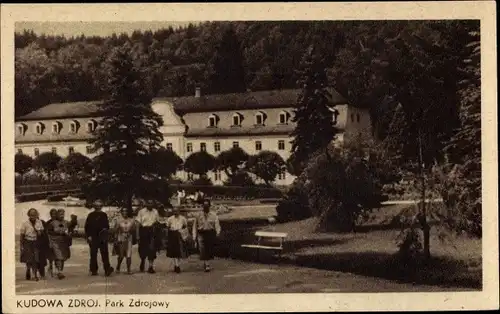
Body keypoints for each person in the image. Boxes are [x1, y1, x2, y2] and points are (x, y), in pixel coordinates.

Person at [84, 200, 114, 277]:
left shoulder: (103, 215)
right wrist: (89, 236)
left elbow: (106, 226)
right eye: (97, 206)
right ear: (95, 207)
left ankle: (106, 269)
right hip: (94, 237)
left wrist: (105, 231)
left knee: (103, 253)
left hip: (101, 237)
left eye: (99, 206)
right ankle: (94, 269)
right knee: (95, 254)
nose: (98, 207)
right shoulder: (91, 215)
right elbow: (87, 227)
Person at [192, 199, 221, 272]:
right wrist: (194, 236)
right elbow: (195, 226)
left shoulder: (214, 215)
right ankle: (207, 264)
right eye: (204, 206)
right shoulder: (198, 215)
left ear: (209, 206)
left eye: (207, 206)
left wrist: (218, 232)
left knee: (208, 248)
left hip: (209, 233)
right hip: (201, 233)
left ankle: (206, 262)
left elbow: (217, 224)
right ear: (202, 206)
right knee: (202, 248)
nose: (205, 207)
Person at [135, 200, 160, 273]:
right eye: (148, 203)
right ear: (146, 204)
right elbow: (137, 224)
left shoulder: (155, 211)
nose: (150, 204)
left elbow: (158, 221)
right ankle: (143, 260)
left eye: (151, 203)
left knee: (152, 249)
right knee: (142, 249)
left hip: (152, 231)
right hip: (144, 231)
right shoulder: (141, 212)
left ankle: (150, 266)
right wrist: (137, 235)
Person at [20, 208, 44, 281]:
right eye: (31, 214)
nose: (33, 215)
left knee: (36, 259)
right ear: (29, 215)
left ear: (36, 214)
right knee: (29, 258)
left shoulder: (39, 222)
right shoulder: (25, 223)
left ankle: (34, 275)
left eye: (34, 213)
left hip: (35, 241)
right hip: (27, 241)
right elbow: (22, 235)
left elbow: (42, 232)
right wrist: (21, 245)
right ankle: (28, 269)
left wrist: (40, 232)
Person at [47, 209, 72, 279]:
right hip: (55, 242)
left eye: (63, 214)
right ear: (57, 215)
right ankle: (59, 272)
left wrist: (74, 221)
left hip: (64, 242)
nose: (62, 216)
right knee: (59, 257)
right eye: (60, 214)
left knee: (63, 257)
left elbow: (71, 228)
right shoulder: (52, 223)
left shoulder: (66, 222)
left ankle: (60, 270)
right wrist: (50, 242)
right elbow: (49, 233)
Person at [111, 208, 136, 274]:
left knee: (128, 254)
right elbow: (115, 231)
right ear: (121, 212)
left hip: (129, 239)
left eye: (126, 211)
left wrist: (130, 232)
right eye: (123, 211)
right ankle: (118, 266)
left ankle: (129, 269)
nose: (125, 212)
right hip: (121, 238)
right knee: (121, 255)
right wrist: (115, 239)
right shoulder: (118, 220)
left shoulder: (131, 220)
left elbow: (134, 229)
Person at [166, 207, 189, 273]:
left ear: (179, 211)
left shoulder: (183, 218)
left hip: (180, 234)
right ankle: (177, 265)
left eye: (176, 211)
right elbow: (167, 227)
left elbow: (185, 226)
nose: (175, 212)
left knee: (179, 251)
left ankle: (177, 264)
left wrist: (183, 233)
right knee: (174, 251)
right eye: (174, 211)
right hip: (173, 234)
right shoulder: (170, 219)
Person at [44, 209, 58, 277]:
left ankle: (57, 269)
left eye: (55, 214)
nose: (54, 215)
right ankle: (51, 266)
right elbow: (47, 233)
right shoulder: (48, 223)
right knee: (51, 256)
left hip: (58, 241)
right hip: (50, 241)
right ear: (50, 215)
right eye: (53, 214)